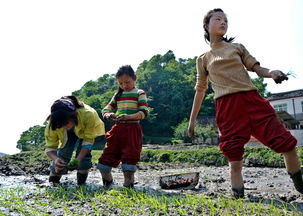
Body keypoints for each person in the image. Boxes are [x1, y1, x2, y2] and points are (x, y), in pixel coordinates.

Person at [188, 8, 303, 198]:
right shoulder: (203, 59)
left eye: (226, 20)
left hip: (253, 102)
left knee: (287, 145)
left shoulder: (237, 48)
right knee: (234, 158)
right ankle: (238, 198)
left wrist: (272, 73)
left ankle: (300, 185)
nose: (223, 22)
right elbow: (200, 90)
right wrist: (192, 121)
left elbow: (257, 68)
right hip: (228, 109)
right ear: (206, 26)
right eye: (218, 19)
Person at [97, 65, 148, 188]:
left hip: (132, 130)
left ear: (134, 78)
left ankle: (128, 187)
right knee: (106, 158)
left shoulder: (139, 93)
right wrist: (109, 115)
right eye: (121, 83)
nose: (124, 85)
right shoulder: (117, 95)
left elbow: (144, 113)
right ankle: (108, 185)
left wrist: (128, 117)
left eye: (127, 82)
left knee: (129, 159)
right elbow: (106, 109)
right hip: (117, 130)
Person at [45, 95, 105, 185]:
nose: (64, 127)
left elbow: (88, 141)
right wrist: (56, 159)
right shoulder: (53, 124)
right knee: (63, 154)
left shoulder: (88, 114)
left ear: (74, 116)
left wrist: (78, 160)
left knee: (84, 158)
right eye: (60, 125)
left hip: (85, 131)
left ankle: (81, 185)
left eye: (65, 123)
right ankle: (53, 183)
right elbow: (50, 148)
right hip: (68, 135)